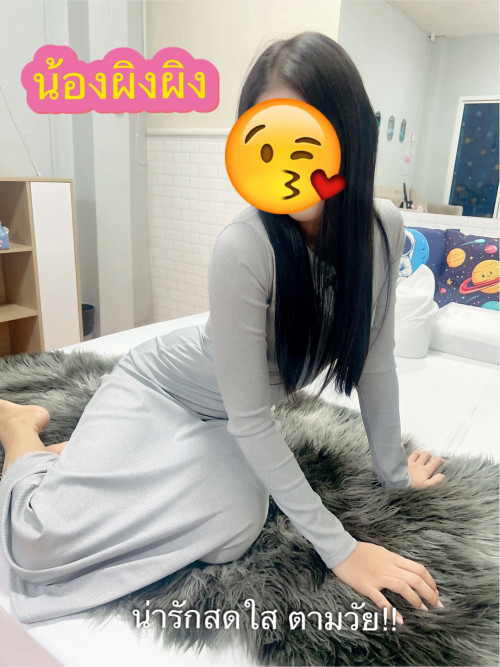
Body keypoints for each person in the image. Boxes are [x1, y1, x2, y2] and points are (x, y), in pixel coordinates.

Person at [0, 31, 445, 626]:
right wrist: (342, 551)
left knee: (235, 525)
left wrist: (393, 474)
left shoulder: (382, 226)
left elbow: (374, 361)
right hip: (161, 391)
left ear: (349, 134)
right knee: (37, 543)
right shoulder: (245, 245)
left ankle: (97, 462)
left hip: (229, 418)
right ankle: (21, 431)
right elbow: (252, 420)